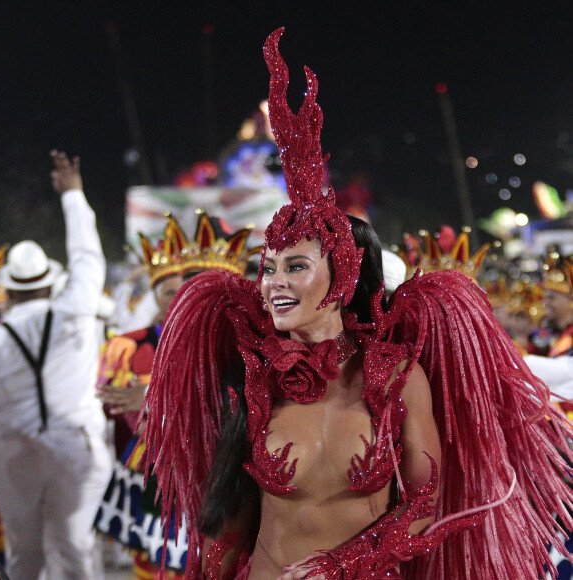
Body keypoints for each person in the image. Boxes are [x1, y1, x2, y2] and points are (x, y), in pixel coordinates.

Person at [139, 29, 573, 579]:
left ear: (341, 280)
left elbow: (425, 500)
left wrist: (337, 566)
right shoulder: (254, 375)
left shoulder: (394, 376)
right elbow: (232, 514)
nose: (273, 282)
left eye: (296, 266)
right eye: (268, 267)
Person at [94, 212, 259, 579]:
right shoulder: (134, 344)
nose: (188, 300)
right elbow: (114, 406)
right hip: (162, 480)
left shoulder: (253, 343)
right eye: (182, 291)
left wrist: (157, 401)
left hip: (231, 486)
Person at [0, 151, 112, 579]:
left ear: (7, 291)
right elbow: (88, 258)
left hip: (13, 453)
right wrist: (73, 197)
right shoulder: (74, 309)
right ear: (48, 280)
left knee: (24, 555)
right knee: (74, 547)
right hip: (76, 449)